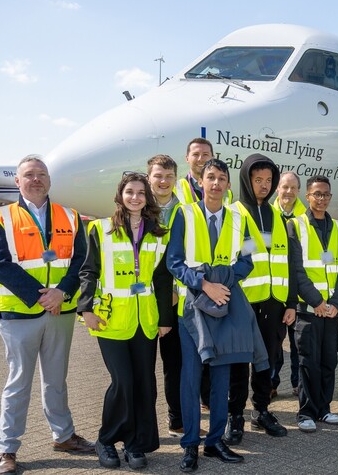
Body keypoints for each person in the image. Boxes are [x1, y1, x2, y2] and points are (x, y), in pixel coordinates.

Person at [166, 158, 266, 471]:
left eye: (222, 178)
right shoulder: (184, 213)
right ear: (202, 181)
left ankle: (214, 441)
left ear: (228, 184)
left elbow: (249, 259)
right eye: (211, 177)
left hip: (226, 306)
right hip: (193, 310)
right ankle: (190, 445)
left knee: (221, 378)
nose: (216, 184)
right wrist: (205, 284)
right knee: (191, 377)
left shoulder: (240, 217)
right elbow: (174, 261)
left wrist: (225, 281)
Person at [0, 156, 95, 475]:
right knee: (19, 381)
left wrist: (61, 293)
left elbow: (81, 260)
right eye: (29, 175)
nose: (36, 179)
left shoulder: (69, 215)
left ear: (50, 180)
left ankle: (63, 436)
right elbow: (1, 263)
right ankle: (7, 449)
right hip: (20, 313)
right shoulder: (3, 218)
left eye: (42, 174)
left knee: (56, 379)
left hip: (60, 310)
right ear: (18, 181)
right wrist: (41, 295)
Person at [77, 172, 173, 469]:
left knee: (145, 382)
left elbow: (163, 277)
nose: (135, 197)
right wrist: (86, 309)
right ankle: (106, 440)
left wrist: (165, 318)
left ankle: (135, 445)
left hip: (146, 320)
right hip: (110, 320)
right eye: (129, 192)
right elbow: (88, 271)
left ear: (148, 198)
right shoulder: (100, 229)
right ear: (120, 195)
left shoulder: (160, 232)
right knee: (123, 382)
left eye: (141, 193)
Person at [223, 154, 294, 444]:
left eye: (268, 181)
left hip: (275, 302)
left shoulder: (278, 215)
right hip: (244, 302)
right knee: (239, 363)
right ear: (246, 181)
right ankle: (235, 416)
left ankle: (261, 411)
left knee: (267, 362)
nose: (264, 186)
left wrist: (290, 303)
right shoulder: (234, 214)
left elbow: (286, 261)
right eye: (257, 180)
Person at [287, 175, 338, 432]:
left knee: (328, 361)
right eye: (317, 194)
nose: (321, 199)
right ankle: (306, 413)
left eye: (326, 195)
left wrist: (335, 303)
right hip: (309, 310)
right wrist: (318, 302)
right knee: (308, 362)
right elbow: (297, 270)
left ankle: (324, 409)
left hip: (331, 311)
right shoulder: (295, 225)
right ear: (307, 197)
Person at [146, 154, 187, 438]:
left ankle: (177, 420)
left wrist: (176, 291)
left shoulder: (186, 212)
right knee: (144, 370)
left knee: (175, 365)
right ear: (149, 178)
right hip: (144, 301)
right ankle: (146, 426)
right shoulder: (136, 209)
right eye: (158, 176)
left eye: (168, 176)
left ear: (176, 179)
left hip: (175, 301)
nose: (163, 181)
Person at [271, 171, 303, 397]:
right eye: (285, 187)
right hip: (275, 292)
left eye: (293, 188)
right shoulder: (267, 215)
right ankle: (271, 383)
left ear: (298, 191)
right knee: (274, 343)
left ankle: (297, 382)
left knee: (298, 343)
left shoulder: (306, 217)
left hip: (299, 292)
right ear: (277, 189)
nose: (289, 192)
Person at [174, 138, 232, 205]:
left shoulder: (227, 192)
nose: (200, 159)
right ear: (187, 158)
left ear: (212, 158)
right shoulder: (175, 189)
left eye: (205, 154)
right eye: (195, 154)